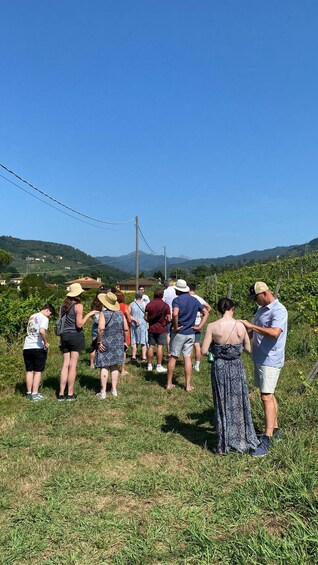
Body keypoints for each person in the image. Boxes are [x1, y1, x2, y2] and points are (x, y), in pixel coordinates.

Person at [202, 298, 259, 454]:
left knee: (222, 401)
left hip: (219, 367)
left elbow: (204, 351)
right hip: (236, 367)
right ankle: (241, 438)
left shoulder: (212, 326)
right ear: (232, 308)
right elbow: (248, 349)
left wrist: (217, 350)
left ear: (220, 309)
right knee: (239, 401)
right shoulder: (240, 326)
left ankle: (224, 441)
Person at [239, 282, 288, 457]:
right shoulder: (261, 310)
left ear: (265, 293)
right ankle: (275, 430)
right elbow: (256, 332)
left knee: (266, 396)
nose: (255, 301)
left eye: (256, 298)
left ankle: (266, 440)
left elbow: (275, 332)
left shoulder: (279, 310)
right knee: (268, 394)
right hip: (260, 357)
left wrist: (251, 327)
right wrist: (241, 337)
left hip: (271, 358)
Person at [166, 279, 209, 392]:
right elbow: (206, 312)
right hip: (191, 332)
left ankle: (169, 383)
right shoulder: (194, 300)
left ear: (178, 290)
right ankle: (188, 386)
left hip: (179, 332)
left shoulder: (177, 300)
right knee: (187, 358)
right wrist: (199, 326)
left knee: (174, 356)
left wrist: (175, 327)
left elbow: (175, 313)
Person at [58, 283, 97, 401]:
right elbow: (79, 324)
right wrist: (89, 314)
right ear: (78, 294)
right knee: (73, 365)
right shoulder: (78, 306)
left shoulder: (63, 305)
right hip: (75, 336)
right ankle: (70, 394)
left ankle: (60, 393)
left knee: (65, 365)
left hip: (64, 336)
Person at [95, 292, 129, 398]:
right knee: (114, 366)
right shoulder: (120, 314)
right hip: (118, 342)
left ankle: (103, 392)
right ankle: (114, 390)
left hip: (105, 342)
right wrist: (124, 341)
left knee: (104, 366)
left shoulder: (103, 314)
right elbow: (126, 329)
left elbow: (101, 328)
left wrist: (99, 342)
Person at [23, 303, 56, 401]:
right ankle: (35, 394)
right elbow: (42, 331)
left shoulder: (32, 316)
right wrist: (45, 342)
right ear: (47, 310)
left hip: (27, 346)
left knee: (29, 370)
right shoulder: (44, 318)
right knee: (38, 371)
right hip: (37, 347)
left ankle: (29, 393)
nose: (49, 316)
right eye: (50, 314)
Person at [144, 288, 171, 372]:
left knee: (151, 346)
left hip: (151, 328)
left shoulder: (149, 304)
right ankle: (159, 365)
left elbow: (145, 317)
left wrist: (150, 321)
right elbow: (169, 319)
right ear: (162, 295)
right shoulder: (165, 305)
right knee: (160, 346)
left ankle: (149, 365)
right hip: (161, 328)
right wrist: (164, 322)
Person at [189, 282, 211, 372]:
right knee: (197, 344)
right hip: (198, 323)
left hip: (189, 324)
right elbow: (209, 308)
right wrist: (202, 314)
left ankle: (188, 363)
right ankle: (197, 364)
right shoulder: (199, 298)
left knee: (189, 345)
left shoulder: (188, 298)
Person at [116, 291, 132, 376]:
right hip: (124, 330)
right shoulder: (125, 307)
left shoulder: (113, 307)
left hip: (115, 330)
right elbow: (129, 319)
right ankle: (122, 369)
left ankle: (113, 367)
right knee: (123, 350)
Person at [130, 291, 148, 362]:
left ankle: (133, 356)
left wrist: (134, 319)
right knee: (143, 341)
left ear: (135, 296)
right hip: (143, 324)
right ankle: (144, 357)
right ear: (141, 296)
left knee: (134, 340)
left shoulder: (131, 304)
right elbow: (147, 315)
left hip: (134, 324)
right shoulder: (145, 304)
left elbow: (129, 314)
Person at [163, 279, 176, 354]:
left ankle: (169, 351)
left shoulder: (165, 292)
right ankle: (175, 350)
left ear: (166, 284)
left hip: (168, 315)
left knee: (168, 333)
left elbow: (163, 302)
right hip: (177, 314)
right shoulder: (176, 290)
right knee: (175, 332)